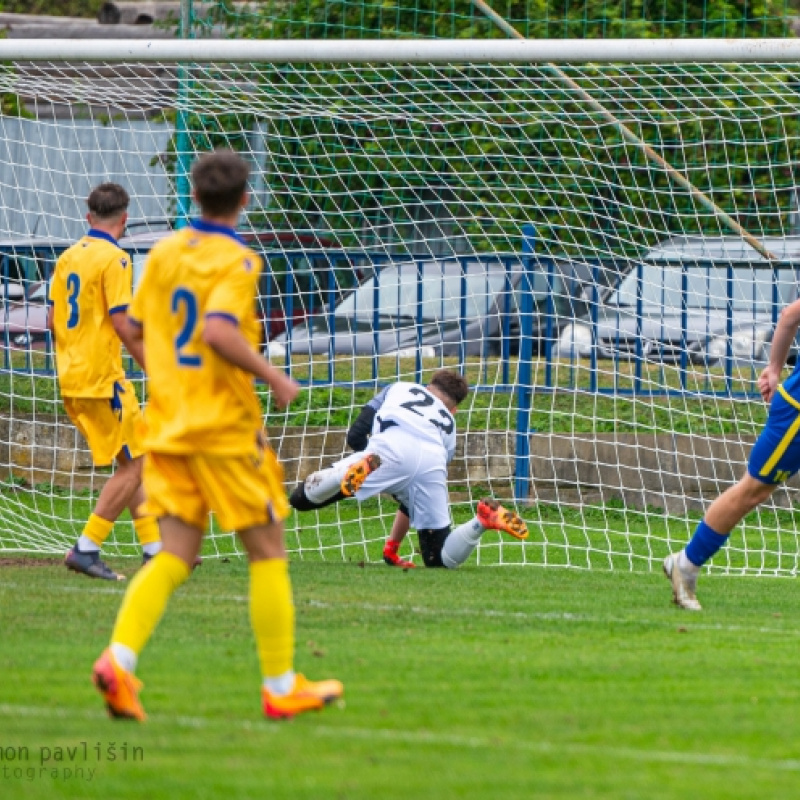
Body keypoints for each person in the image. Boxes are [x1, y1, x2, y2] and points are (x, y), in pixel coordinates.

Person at [91, 149, 343, 721]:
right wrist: (275, 377)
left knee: (176, 554)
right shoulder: (236, 260)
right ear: (245, 200)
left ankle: (119, 659)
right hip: (224, 431)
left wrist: (165, 373)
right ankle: (280, 686)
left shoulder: (165, 251)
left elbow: (132, 324)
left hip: (172, 426)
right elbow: (217, 330)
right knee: (268, 550)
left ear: (194, 195)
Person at [290, 370, 529, 568]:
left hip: (388, 449)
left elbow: (355, 434)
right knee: (439, 559)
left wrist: (373, 461)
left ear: (427, 387)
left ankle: (354, 470)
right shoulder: (449, 424)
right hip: (432, 462)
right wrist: (391, 549)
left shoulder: (399, 388)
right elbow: (410, 499)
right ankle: (484, 520)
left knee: (300, 499)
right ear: (454, 409)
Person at [48, 182, 161, 582]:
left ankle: (155, 550)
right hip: (102, 379)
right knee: (135, 465)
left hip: (71, 377)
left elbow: (51, 320)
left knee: (132, 460)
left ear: (88, 215)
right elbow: (121, 322)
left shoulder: (65, 258)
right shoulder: (116, 259)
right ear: (125, 219)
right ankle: (86, 547)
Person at [664, 296, 800, 610]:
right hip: (795, 414)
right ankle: (685, 565)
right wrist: (774, 368)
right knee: (753, 491)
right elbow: (790, 316)